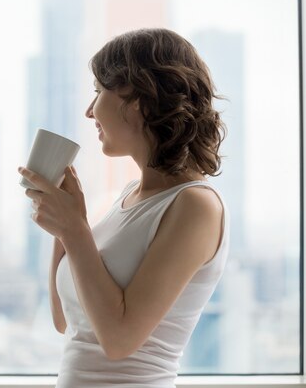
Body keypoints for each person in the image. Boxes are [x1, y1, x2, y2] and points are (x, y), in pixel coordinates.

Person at [18, 28, 229, 387]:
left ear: (138, 101)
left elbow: (118, 340)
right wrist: (65, 222)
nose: (89, 111)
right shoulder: (129, 197)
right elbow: (66, 321)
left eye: (99, 92)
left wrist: (75, 229)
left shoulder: (195, 206)